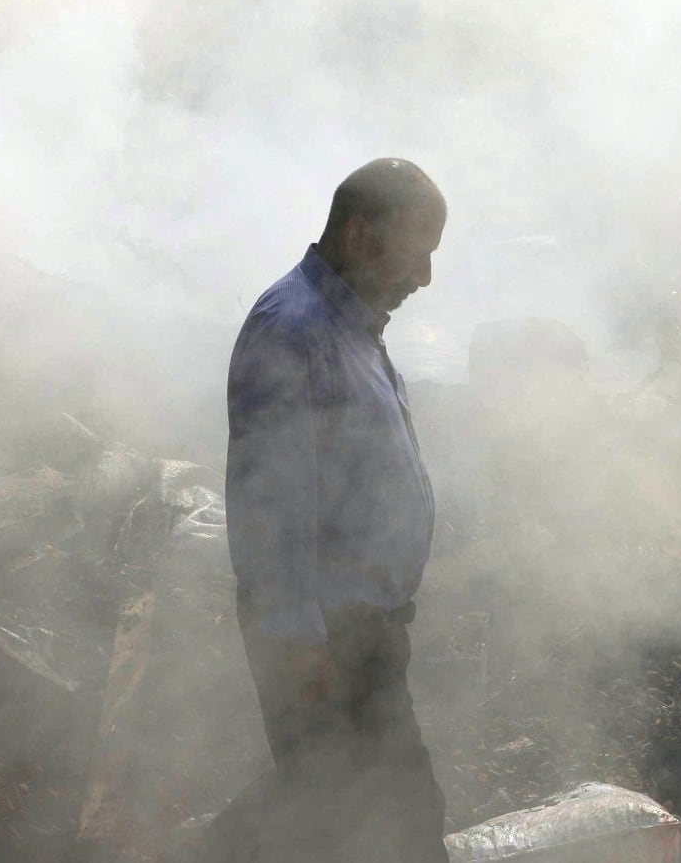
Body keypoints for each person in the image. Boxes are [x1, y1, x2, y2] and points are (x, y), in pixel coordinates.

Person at [208, 159, 450, 862]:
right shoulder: (294, 330)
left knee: (338, 815)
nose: (425, 278)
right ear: (358, 232)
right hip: (323, 644)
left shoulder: (350, 324)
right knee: (385, 824)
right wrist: (299, 648)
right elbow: (268, 505)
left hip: (360, 634)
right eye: (419, 252)